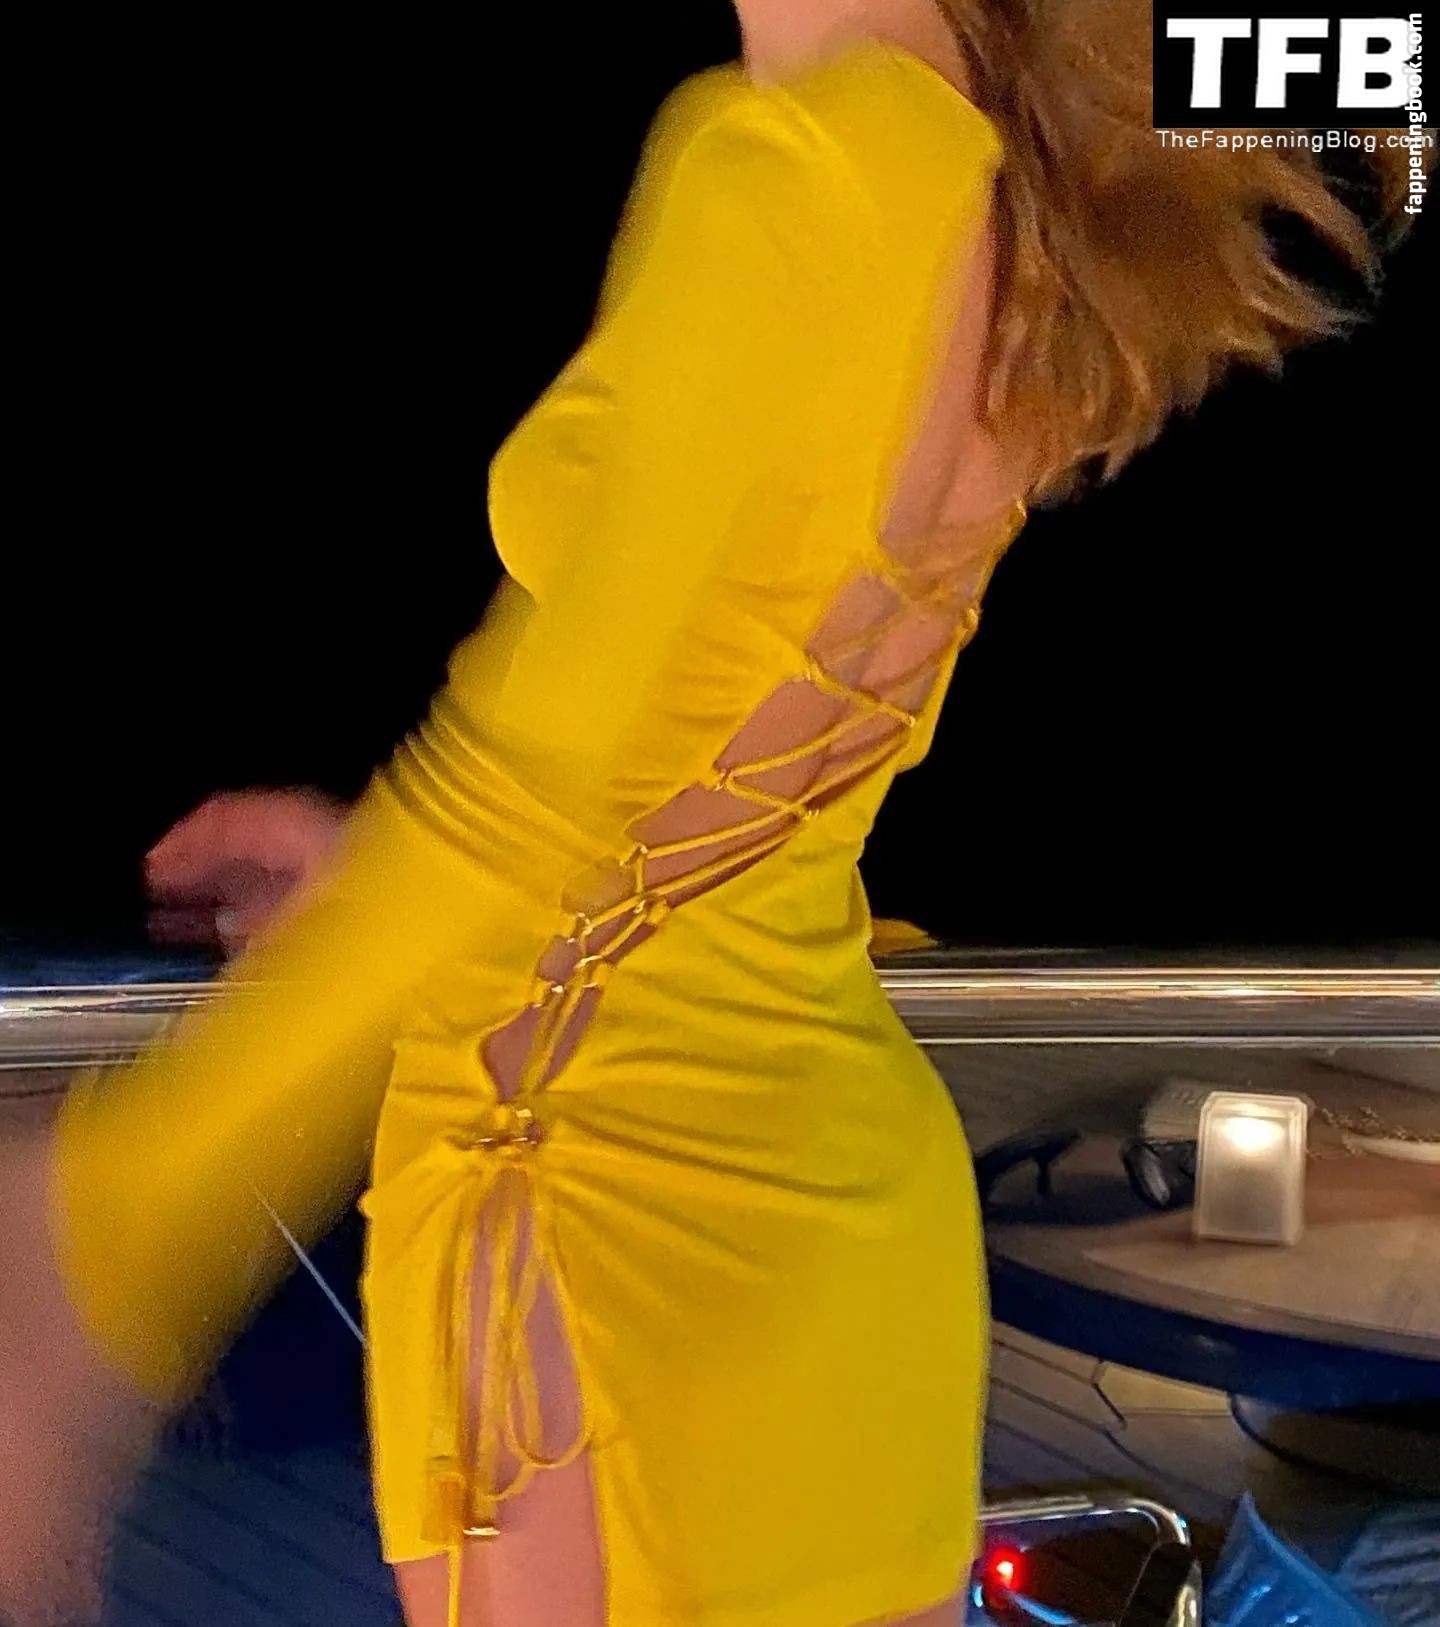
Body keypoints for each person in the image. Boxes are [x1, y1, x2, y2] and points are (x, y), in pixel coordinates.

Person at [3, 2, 1420, 1624]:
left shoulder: (799, 164)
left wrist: (102, 1235)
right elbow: (700, 763)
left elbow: (535, 786)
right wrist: (388, 879)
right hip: (802, 1205)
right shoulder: (966, 157)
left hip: (612, 1223)